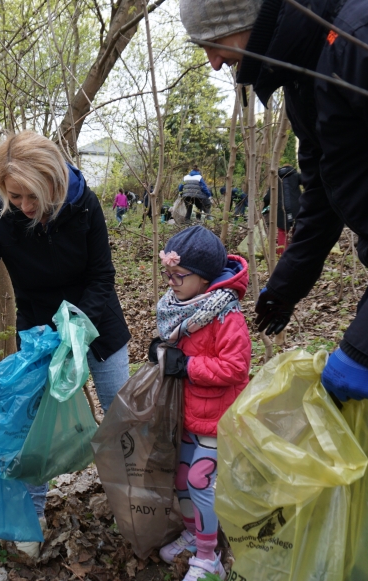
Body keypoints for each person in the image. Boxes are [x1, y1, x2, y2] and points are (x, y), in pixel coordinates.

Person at [180, 0, 368, 576]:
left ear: (253, 18)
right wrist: (284, 288)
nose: (213, 63)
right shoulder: (310, 65)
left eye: (213, 43)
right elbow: (324, 190)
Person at [0, 130, 131, 557]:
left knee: (122, 419)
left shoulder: (84, 204)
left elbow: (102, 277)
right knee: (34, 429)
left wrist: (76, 329)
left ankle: (136, 502)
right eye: (15, 196)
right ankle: (30, 519)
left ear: (52, 179)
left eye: (32, 195)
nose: (26, 206)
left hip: (97, 326)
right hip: (39, 336)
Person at [148, 226, 250, 580]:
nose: (171, 283)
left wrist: (187, 366)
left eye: (179, 275)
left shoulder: (225, 314)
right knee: (181, 478)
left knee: (200, 480)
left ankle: (209, 559)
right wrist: (162, 353)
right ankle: (195, 534)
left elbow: (236, 368)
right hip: (189, 413)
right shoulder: (183, 308)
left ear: (204, 277)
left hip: (217, 416)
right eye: (168, 275)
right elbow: (178, 347)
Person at [261, 165, 302, 255]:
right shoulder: (296, 175)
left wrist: (265, 207)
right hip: (297, 208)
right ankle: (298, 252)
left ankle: (281, 254)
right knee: (298, 229)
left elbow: (267, 197)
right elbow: (308, 182)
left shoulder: (276, 179)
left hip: (280, 210)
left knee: (282, 231)